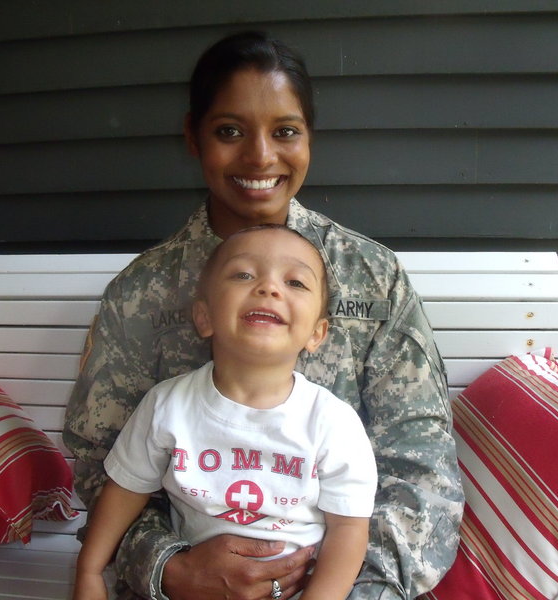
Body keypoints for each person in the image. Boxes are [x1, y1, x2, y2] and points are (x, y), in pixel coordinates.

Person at [64, 31, 464, 600]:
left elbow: (422, 475)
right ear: (193, 137)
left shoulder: (373, 280)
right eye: (230, 131)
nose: (260, 156)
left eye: (285, 131)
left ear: (309, 139)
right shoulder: (140, 294)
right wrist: (169, 568)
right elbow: (100, 465)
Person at [73, 225, 378, 600]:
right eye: (243, 275)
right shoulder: (167, 405)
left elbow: (349, 529)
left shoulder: (334, 422)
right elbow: (124, 489)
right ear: (204, 317)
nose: (269, 287)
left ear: (317, 333)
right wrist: (89, 570)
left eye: (295, 282)